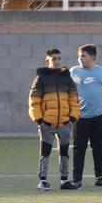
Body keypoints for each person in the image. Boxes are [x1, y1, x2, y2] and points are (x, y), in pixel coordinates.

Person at [69, 44, 102, 187]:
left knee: (98, 146)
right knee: (79, 148)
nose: (80, 58)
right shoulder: (73, 71)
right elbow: (67, 91)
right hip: (80, 116)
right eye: (79, 56)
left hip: (99, 115)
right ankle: (77, 179)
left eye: (83, 56)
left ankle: (100, 177)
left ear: (92, 57)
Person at [29, 48, 81, 191]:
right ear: (47, 61)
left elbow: (74, 99)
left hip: (65, 123)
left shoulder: (67, 77)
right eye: (54, 59)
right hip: (47, 123)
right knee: (45, 152)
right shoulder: (41, 78)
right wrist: (39, 119)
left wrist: (72, 117)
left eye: (59, 58)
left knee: (64, 152)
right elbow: (34, 100)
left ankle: (64, 180)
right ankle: (43, 180)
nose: (57, 61)